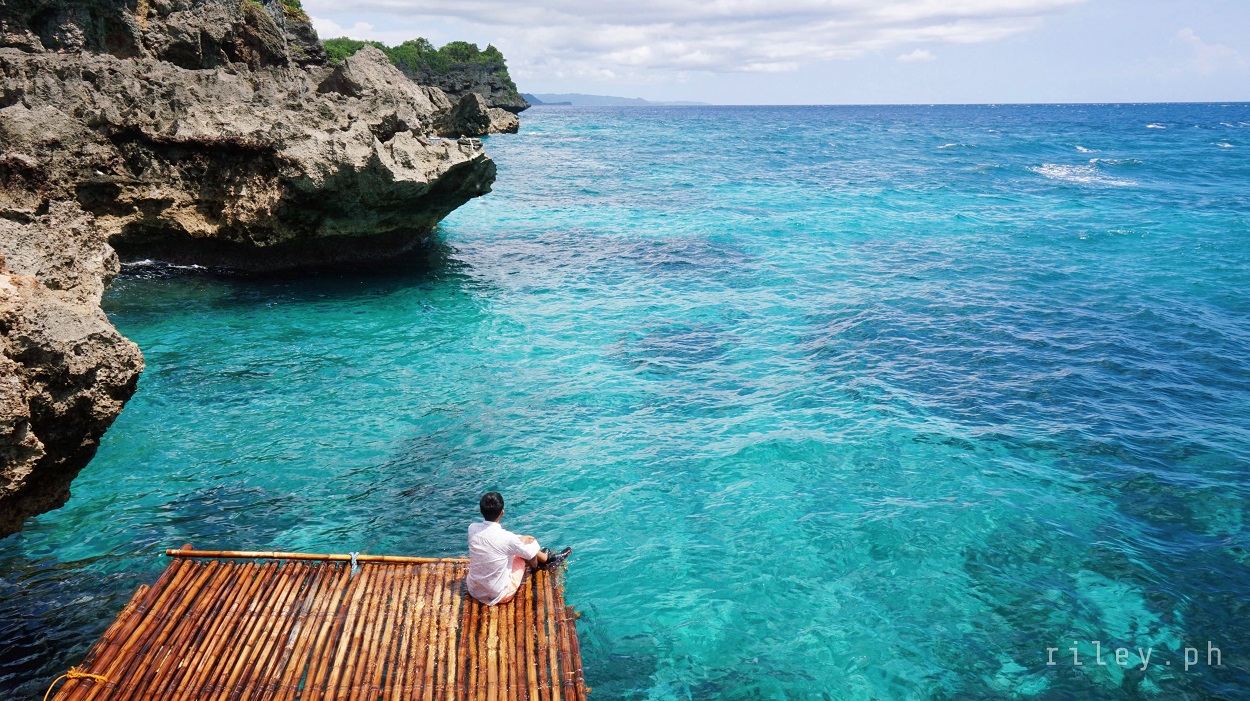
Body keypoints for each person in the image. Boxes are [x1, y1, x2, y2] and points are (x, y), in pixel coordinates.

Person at [466, 492, 571, 606]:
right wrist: (529, 540)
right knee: (527, 547)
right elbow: (528, 553)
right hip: (499, 595)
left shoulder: (472, 528)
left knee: (517, 544)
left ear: (481, 511)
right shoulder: (507, 538)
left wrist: (520, 538)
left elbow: (495, 538)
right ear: (502, 512)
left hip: (474, 590)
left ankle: (547, 558)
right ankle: (546, 560)